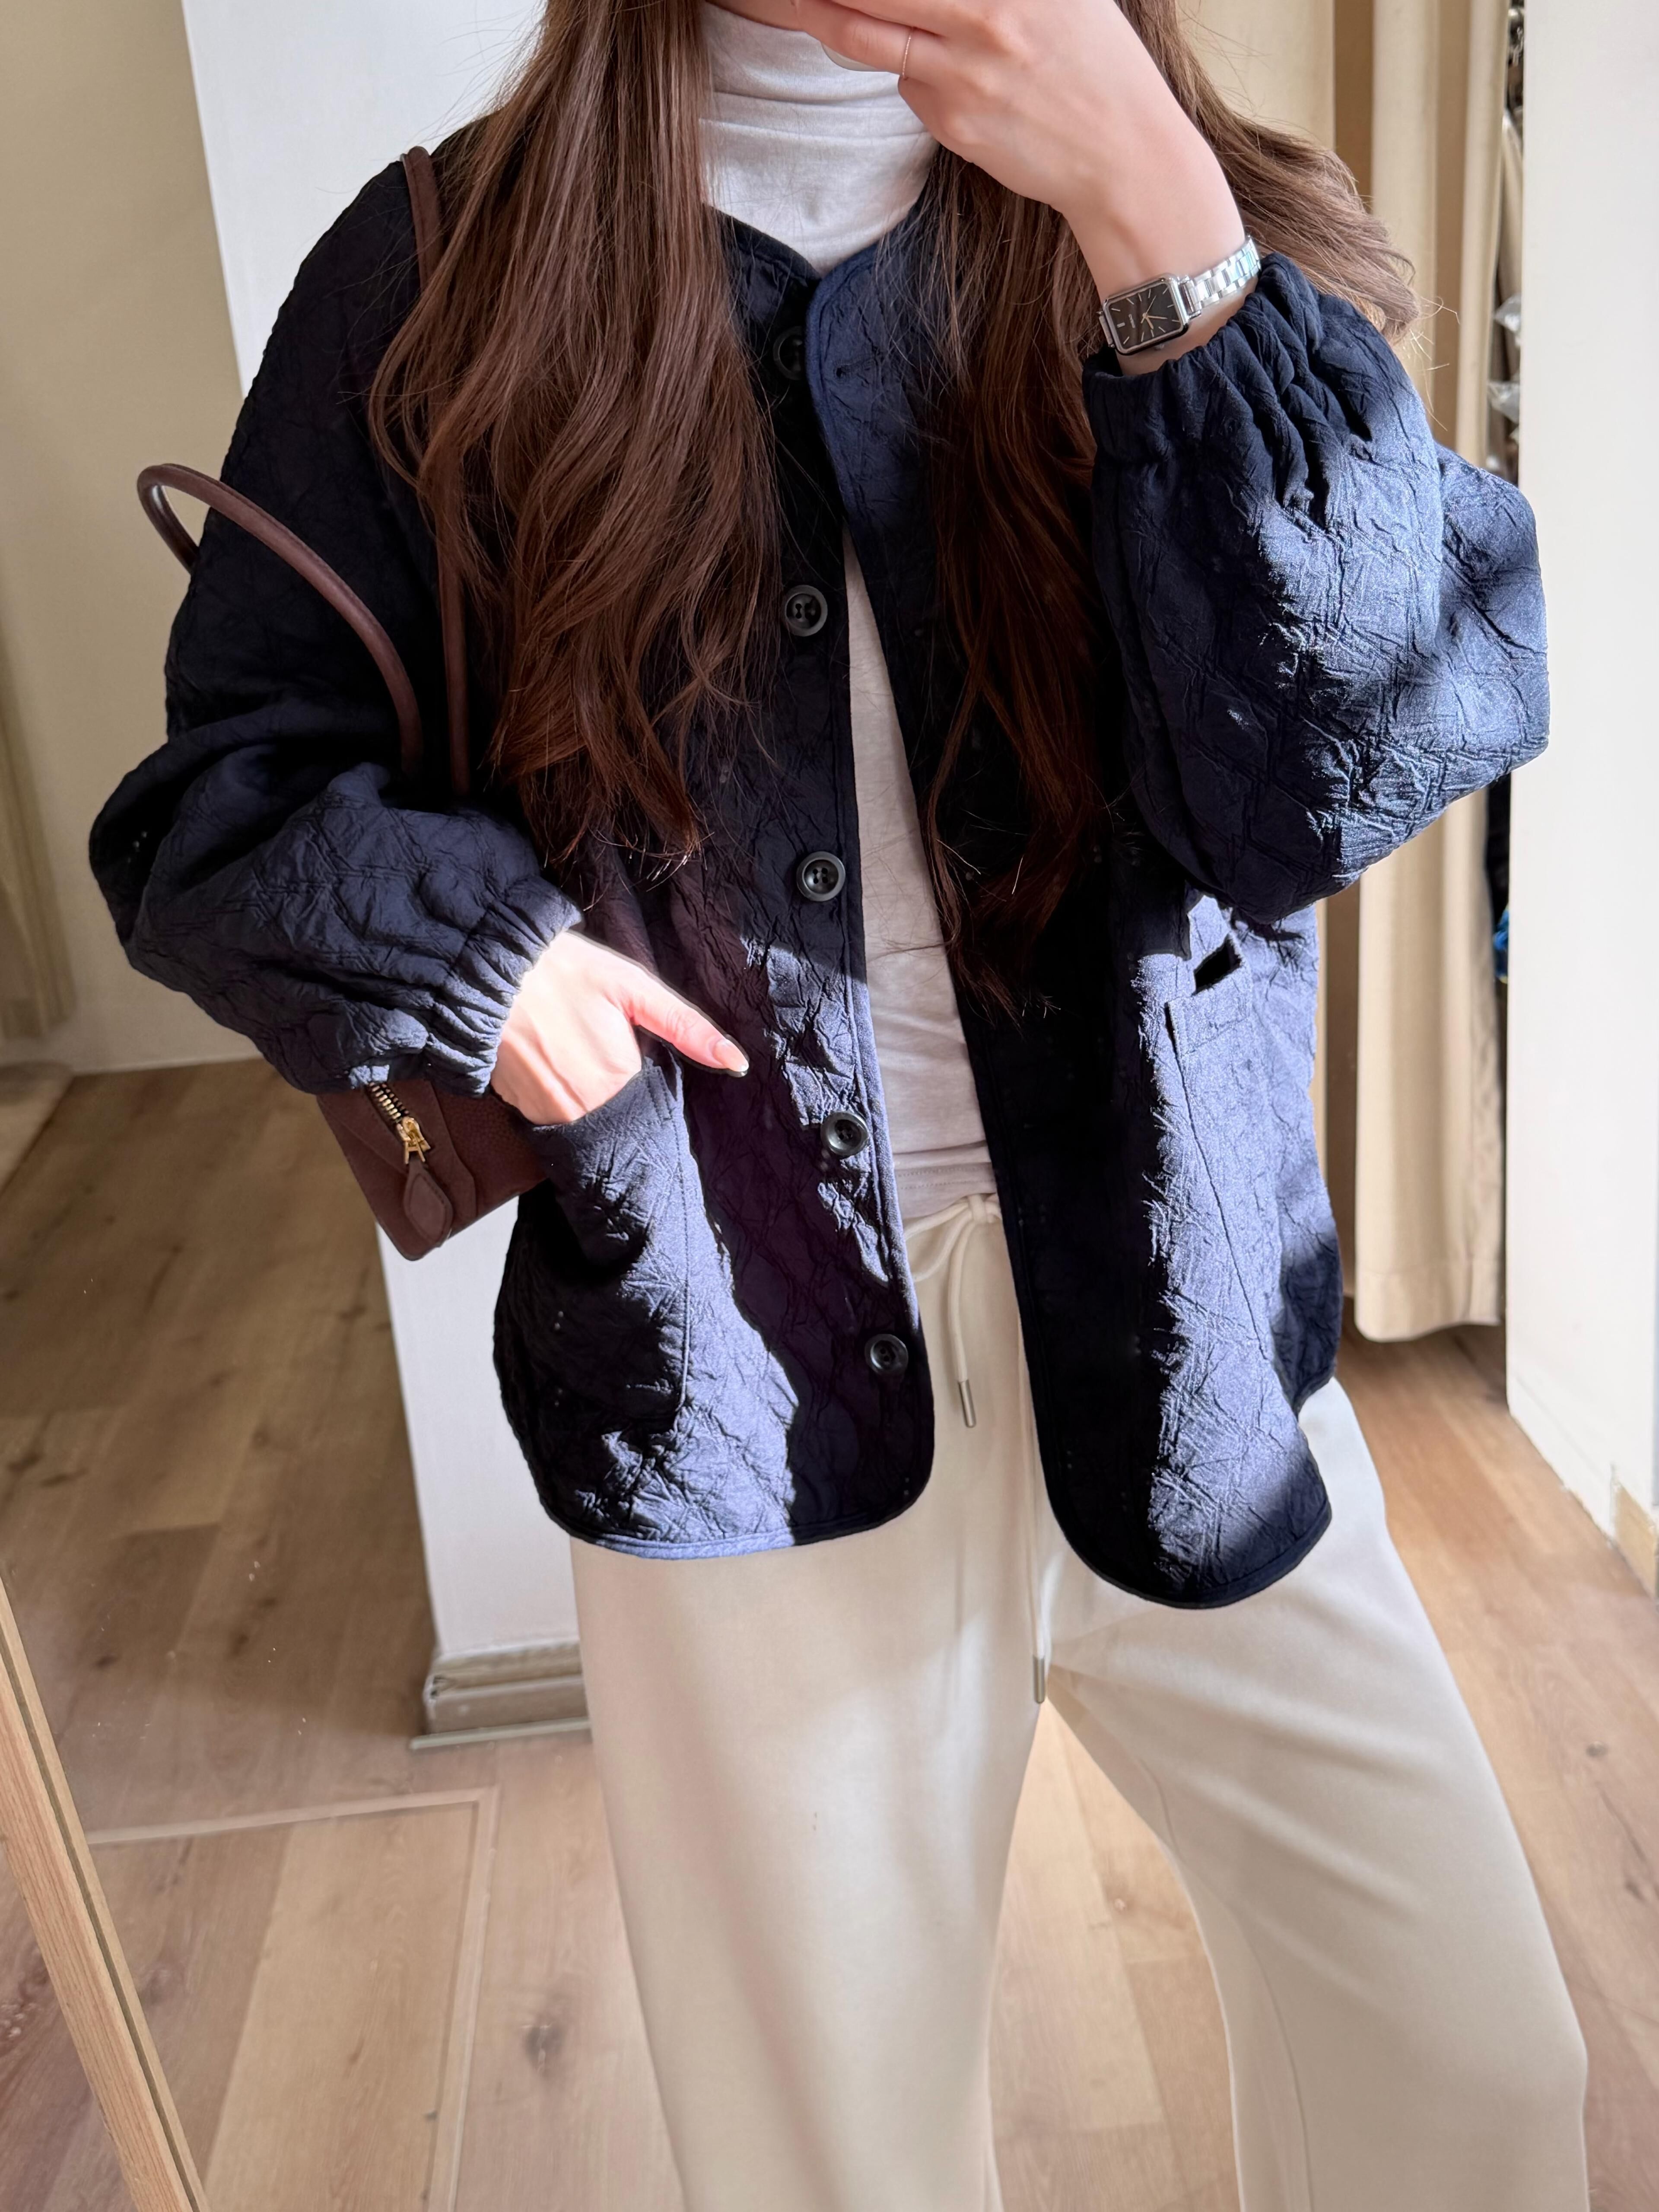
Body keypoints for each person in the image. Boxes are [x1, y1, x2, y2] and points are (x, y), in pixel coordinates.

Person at [92, 1, 1590, 2205]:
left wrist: (1154, 213)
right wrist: (487, 964)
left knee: (1473, 2075)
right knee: (832, 2168)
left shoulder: (1193, 201)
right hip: (739, 1344)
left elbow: (1341, 770)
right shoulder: (444, 273)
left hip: (1182, 1319)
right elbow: (218, 799)